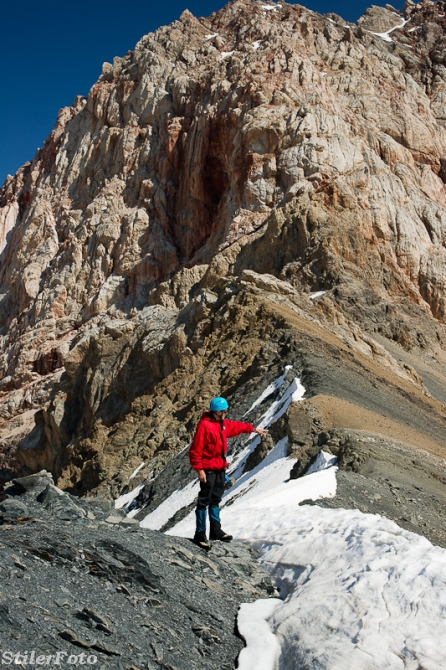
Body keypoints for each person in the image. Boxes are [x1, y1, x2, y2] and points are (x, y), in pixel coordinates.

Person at [189, 397, 268, 549]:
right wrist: (199, 470)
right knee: (204, 501)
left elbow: (237, 426)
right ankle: (199, 534)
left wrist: (254, 429)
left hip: (219, 468)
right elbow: (195, 450)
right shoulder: (204, 426)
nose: (226, 413)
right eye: (224, 411)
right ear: (217, 412)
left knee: (215, 499)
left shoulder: (221, 424)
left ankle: (215, 531)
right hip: (208, 469)